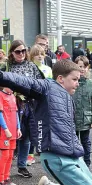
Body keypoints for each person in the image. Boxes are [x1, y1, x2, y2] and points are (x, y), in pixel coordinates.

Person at [7, 39, 43, 176]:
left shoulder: (31, 66)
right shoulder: (7, 67)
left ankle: (22, 166)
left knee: (26, 137)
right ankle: (4, 169)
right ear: (12, 53)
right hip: (12, 105)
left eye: (23, 50)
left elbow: (40, 83)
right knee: (11, 136)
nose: (21, 53)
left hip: (30, 105)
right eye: (18, 51)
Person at [73, 56, 92, 167]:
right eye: (79, 67)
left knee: (85, 142)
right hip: (72, 118)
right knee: (73, 142)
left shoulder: (91, 84)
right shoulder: (71, 82)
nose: (82, 69)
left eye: (84, 67)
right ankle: (74, 163)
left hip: (85, 118)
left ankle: (87, 163)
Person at [0, 87, 22, 185]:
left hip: (13, 131)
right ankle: (1, 181)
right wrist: (5, 129)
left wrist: (18, 128)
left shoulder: (13, 96)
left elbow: (16, 113)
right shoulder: (0, 95)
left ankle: (7, 178)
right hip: (5, 133)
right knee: (5, 156)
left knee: (10, 156)